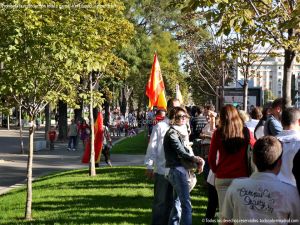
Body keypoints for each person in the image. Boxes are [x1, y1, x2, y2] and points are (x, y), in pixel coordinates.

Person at [222, 136, 300, 224]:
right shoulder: (291, 192)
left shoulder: (236, 186)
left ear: (253, 160)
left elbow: (226, 221)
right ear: (279, 163)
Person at [208, 105, 256, 214]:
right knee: (241, 215)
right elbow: (255, 147)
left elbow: (211, 158)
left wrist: (216, 170)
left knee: (225, 215)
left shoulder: (218, 133)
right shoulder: (246, 132)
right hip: (242, 177)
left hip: (223, 176)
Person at [164, 106, 204, 225]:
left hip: (180, 170)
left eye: (184, 116)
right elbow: (180, 151)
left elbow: (185, 150)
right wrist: (196, 159)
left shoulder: (180, 131)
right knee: (186, 205)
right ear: (172, 118)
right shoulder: (172, 133)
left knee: (177, 203)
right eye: (179, 117)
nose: (182, 119)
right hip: (177, 171)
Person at [144, 98, 180, 225]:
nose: (177, 111)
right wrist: (149, 165)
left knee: (175, 204)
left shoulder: (182, 126)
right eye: (174, 108)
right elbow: (152, 147)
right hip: (162, 170)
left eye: (179, 108)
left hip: (178, 171)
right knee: (160, 202)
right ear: (168, 109)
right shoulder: (160, 126)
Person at [276, 107, 300, 186]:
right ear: (299, 122)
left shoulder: (270, 141)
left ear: (281, 122)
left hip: (273, 190)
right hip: (295, 191)